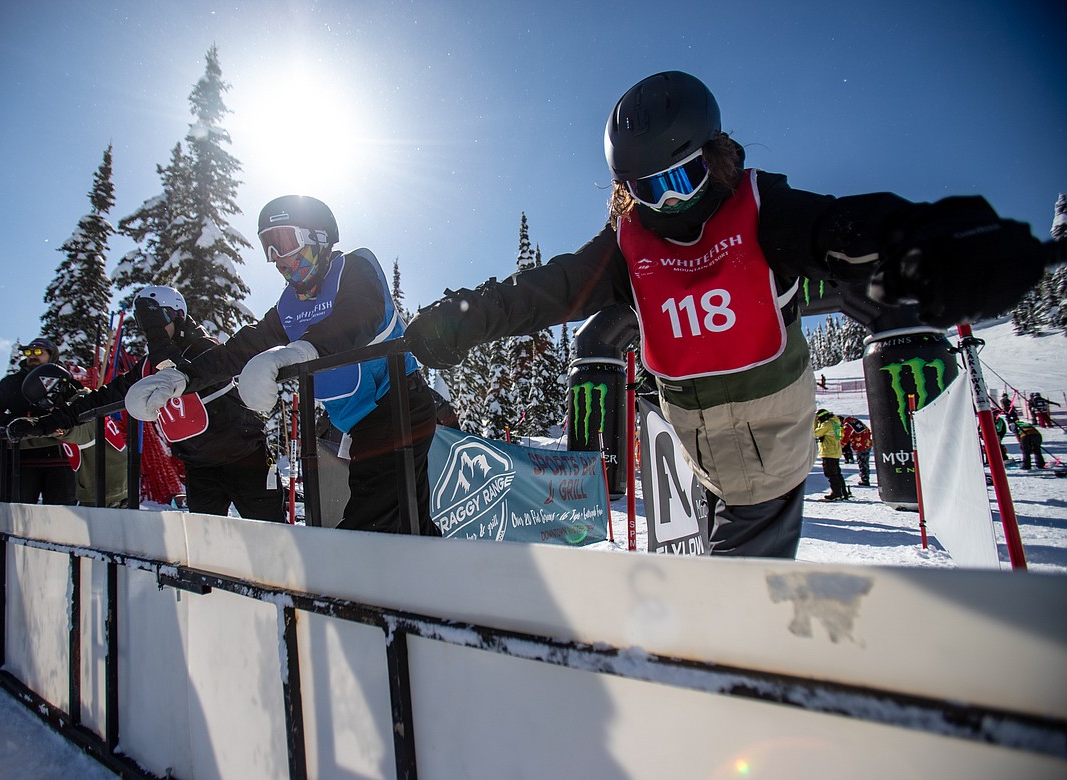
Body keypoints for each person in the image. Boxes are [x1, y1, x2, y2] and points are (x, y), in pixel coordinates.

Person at [404, 70, 1046, 558]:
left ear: (716, 156)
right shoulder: (628, 247)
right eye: (645, 190)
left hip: (770, 446)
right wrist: (464, 319)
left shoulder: (765, 212)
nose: (668, 204)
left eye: (682, 179)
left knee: (737, 606)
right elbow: (545, 291)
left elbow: (843, 227)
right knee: (721, 574)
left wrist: (925, 242)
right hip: (703, 450)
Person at [124, 196, 440, 536]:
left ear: (319, 237)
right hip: (361, 422)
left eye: (285, 242)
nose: (278, 259)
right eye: (268, 247)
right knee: (409, 519)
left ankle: (352, 583)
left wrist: (301, 351)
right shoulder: (289, 308)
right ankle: (438, 575)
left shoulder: (354, 270)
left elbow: (360, 315)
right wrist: (182, 378)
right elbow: (237, 350)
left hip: (397, 404)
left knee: (370, 526)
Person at [20, 286, 285, 522]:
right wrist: (49, 422)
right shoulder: (148, 367)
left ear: (179, 317)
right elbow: (103, 398)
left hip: (248, 459)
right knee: (207, 543)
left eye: (158, 321)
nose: (151, 332)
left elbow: (184, 369)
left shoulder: (204, 349)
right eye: (145, 325)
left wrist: (159, 339)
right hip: (200, 468)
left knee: (270, 537)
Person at [0, 337, 76, 505]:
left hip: (61, 458)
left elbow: (80, 410)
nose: (32, 356)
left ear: (52, 355)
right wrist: (14, 423)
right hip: (20, 460)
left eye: (38, 352)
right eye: (28, 352)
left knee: (62, 518)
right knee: (16, 519)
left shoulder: (65, 381)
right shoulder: (12, 383)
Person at [16, 363, 129, 508]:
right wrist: (14, 437)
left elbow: (75, 432)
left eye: (44, 402)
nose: (47, 409)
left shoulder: (83, 412)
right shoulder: (80, 407)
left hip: (108, 492)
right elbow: (48, 438)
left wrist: (42, 427)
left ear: (56, 391)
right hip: (101, 489)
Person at [814, 410, 848, 501]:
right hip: (835, 451)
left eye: (818, 418)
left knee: (830, 473)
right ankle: (843, 493)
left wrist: (815, 423)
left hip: (828, 451)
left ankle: (836, 493)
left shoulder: (827, 424)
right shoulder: (835, 422)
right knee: (837, 473)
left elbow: (815, 433)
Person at [843, 416, 874, 486]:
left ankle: (865, 479)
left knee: (862, 462)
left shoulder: (848, 425)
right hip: (867, 444)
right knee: (865, 462)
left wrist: (841, 444)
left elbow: (846, 436)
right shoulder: (858, 423)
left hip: (860, 445)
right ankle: (866, 477)